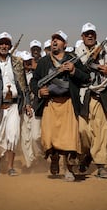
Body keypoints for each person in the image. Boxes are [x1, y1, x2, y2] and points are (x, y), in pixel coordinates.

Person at [30, 30, 90, 181]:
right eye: (53, 39)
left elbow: (86, 78)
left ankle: (69, 170)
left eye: (59, 39)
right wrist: (39, 91)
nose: (55, 42)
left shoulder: (73, 59)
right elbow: (34, 81)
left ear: (65, 44)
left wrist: (74, 70)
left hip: (69, 103)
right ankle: (54, 158)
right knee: (49, 138)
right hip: (50, 104)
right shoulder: (44, 61)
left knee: (70, 139)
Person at [75, 22, 107, 178]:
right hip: (84, 97)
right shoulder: (76, 53)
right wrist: (91, 59)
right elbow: (78, 73)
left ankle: (101, 166)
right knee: (82, 131)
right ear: (82, 36)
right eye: (87, 33)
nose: (90, 36)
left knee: (101, 133)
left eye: (92, 33)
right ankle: (87, 154)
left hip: (101, 97)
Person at [0, 31, 29, 176]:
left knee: (13, 136)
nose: (4, 46)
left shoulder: (18, 61)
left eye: (6, 43)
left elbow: (24, 86)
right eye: (1, 43)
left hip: (14, 106)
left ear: (10, 45)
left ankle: (10, 167)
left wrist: (27, 103)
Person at [20, 50, 43, 168]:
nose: (27, 64)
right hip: (22, 109)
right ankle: (30, 162)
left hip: (35, 107)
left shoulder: (37, 73)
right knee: (25, 137)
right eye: (25, 61)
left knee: (36, 135)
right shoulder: (17, 75)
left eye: (29, 61)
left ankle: (40, 156)